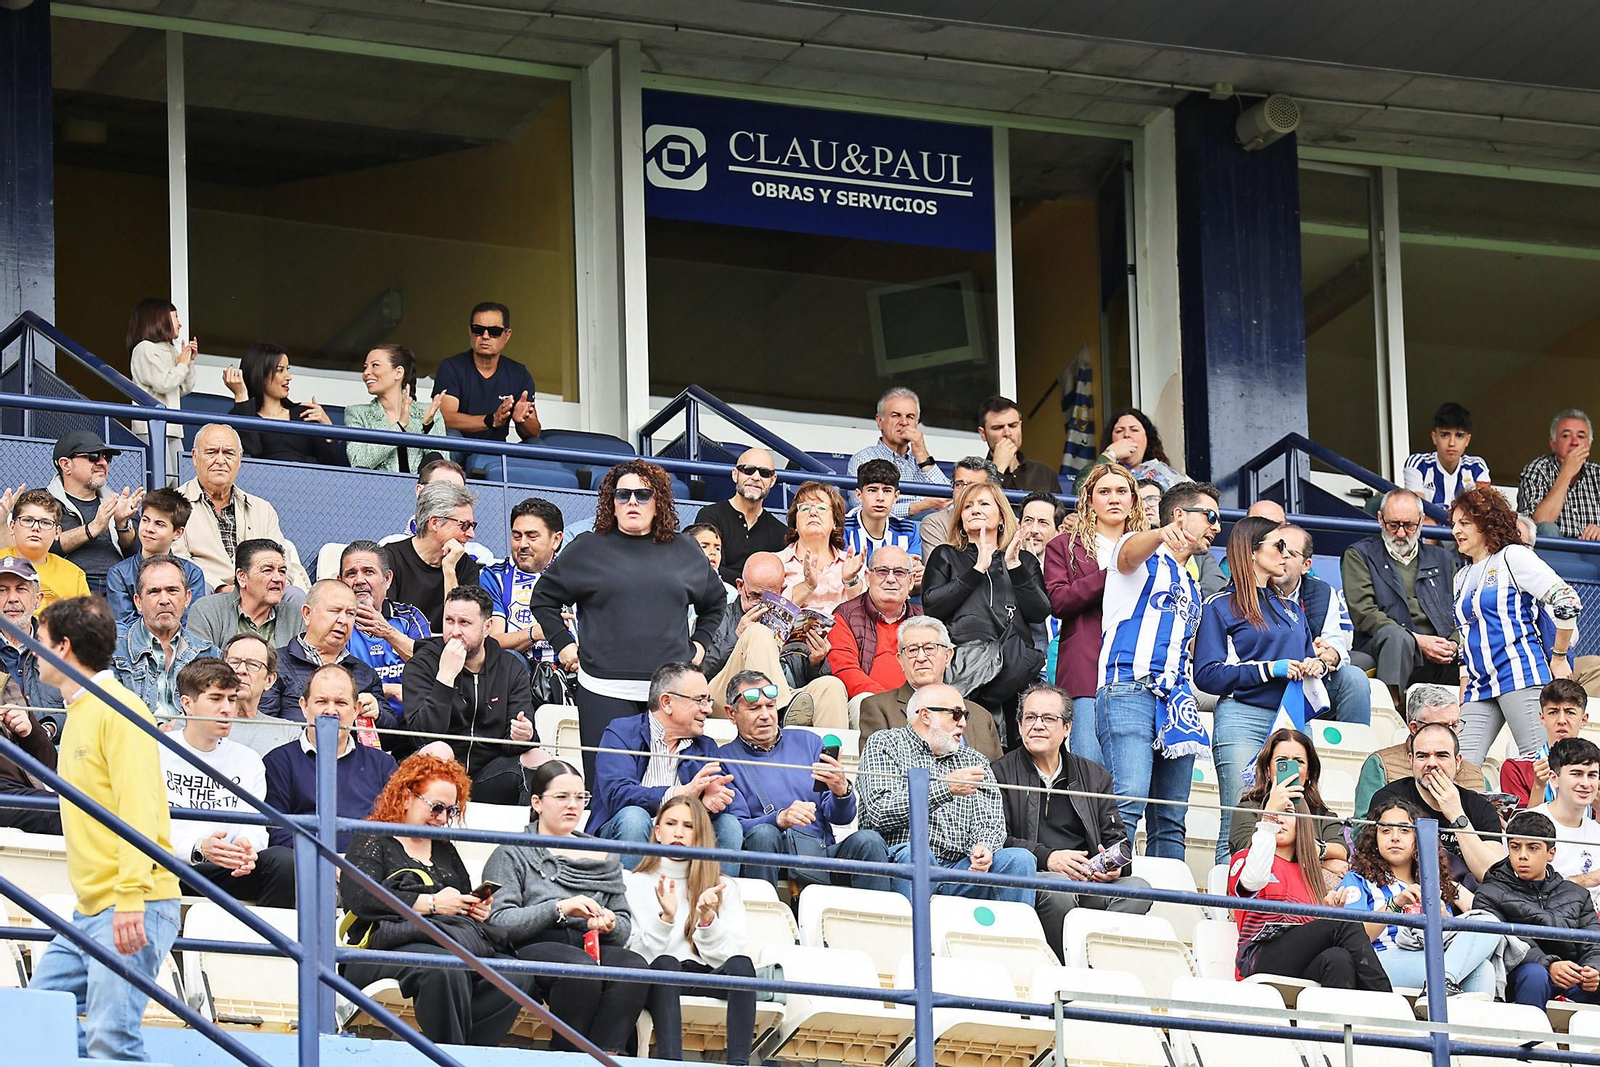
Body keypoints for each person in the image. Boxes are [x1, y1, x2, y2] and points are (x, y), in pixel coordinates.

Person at [26, 596, 182, 1063]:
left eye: (40, 643)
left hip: (131, 901)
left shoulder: (116, 709)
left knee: (112, 1040)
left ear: (65, 647)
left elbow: (140, 806)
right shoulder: (84, 711)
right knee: (41, 1015)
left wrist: (131, 895)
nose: (34, 653)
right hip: (95, 907)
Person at [529, 462, 727, 783]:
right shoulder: (587, 549)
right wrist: (564, 644)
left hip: (671, 693)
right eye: (623, 495)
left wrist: (701, 643)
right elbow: (543, 598)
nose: (632, 501)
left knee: (671, 793)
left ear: (658, 500)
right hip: (603, 689)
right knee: (608, 791)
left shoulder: (686, 550)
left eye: (642, 494)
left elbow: (716, 601)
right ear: (612, 503)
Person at [340, 752, 543, 1046]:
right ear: (406, 797)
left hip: (444, 941)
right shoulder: (373, 838)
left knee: (516, 976)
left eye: (450, 811)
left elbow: (459, 896)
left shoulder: (444, 849)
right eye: (436, 807)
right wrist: (432, 904)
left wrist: (474, 908)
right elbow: (360, 899)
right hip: (384, 946)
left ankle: (467, 1052)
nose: (442, 818)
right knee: (446, 969)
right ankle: (451, 1054)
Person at [482, 760, 652, 1054]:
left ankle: (605, 1055)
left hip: (591, 945)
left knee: (634, 966)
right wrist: (559, 908)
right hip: (535, 944)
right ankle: (569, 1057)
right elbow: (499, 921)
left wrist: (609, 923)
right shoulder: (511, 850)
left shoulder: (603, 854)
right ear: (537, 802)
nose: (572, 805)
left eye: (580, 797)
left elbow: (623, 926)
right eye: (561, 797)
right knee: (577, 968)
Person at [1097, 481, 1220, 857]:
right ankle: (1108, 890)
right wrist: (1158, 533)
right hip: (1129, 688)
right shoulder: (1138, 552)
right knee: (1129, 796)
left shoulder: (1191, 581)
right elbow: (1127, 554)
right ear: (1180, 516)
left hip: (1178, 701)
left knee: (1171, 817)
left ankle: (1166, 908)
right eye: (1210, 516)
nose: (1216, 527)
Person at [1196, 516, 1326, 861]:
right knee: (1239, 821)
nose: (1286, 553)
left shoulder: (1291, 607)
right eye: (1278, 545)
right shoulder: (1220, 605)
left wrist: (1316, 666)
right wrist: (1269, 670)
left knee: (1297, 819)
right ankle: (1231, 909)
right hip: (1243, 717)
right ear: (1251, 552)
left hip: (1292, 719)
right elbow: (1207, 674)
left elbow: (1307, 654)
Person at [992, 683, 1150, 962]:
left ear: (1067, 727)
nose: (1037, 726)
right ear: (1019, 726)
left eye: (1048, 719)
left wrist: (1113, 867)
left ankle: (1096, 961)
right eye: (1030, 718)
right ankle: (1063, 966)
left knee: (1138, 889)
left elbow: (1118, 839)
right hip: (1039, 878)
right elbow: (996, 838)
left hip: (1088, 878)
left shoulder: (1094, 776)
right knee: (1058, 890)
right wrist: (1048, 857)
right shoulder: (999, 772)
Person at [857, 683, 1035, 903]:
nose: (963, 723)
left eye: (965, 715)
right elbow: (879, 810)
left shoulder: (974, 759)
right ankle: (910, 936)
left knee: (1020, 860)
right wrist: (946, 788)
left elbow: (990, 821)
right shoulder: (885, 744)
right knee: (918, 855)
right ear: (925, 716)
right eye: (956, 714)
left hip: (960, 867)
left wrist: (984, 848)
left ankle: (1014, 939)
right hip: (901, 860)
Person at [716, 669, 890, 892]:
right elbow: (734, 828)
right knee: (763, 835)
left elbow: (841, 817)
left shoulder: (808, 741)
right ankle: (762, 921)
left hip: (818, 852)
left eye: (770, 706)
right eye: (754, 708)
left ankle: (875, 924)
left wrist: (841, 791)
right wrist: (779, 819)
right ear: (731, 714)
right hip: (769, 856)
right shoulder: (724, 758)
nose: (765, 715)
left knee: (869, 841)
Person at [1452, 484, 1582, 765]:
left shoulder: (1513, 556)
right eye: (1453, 524)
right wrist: (1464, 677)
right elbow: (1467, 634)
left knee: (1541, 766)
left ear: (1486, 523)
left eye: (1464, 523)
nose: (1455, 531)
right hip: (1479, 685)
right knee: (1459, 767)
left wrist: (1558, 656)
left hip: (1520, 676)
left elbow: (1567, 600)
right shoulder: (1460, 577)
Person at [625, 796, 758, 1066]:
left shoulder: (723, 886)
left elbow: (730, 955)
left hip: (705, 974)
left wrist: (707, 920)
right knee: (665, 964)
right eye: (671, 824)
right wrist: (666, 918)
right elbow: (633, 956)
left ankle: (739, 1063)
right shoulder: (634, 883)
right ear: (657, 831)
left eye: (688, 826)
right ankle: (671, 1062)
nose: (678, 833)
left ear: (700, 834)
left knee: (743, 966)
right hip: (659, 978)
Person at [1227, 786, 1390, 990]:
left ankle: (1337, 1022)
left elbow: (1310, 937)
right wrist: (1268, 820)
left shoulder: (1309, 874)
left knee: (1338, 959)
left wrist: (1328, 914)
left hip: (1295, 961)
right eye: (1274, 810)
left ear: (1302, 822)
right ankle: (1385, 998)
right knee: (1344, 923)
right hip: (1257, 959)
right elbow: (1253, 881)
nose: (1279, 818)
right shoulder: (1245, 859)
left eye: (1288, 812)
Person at [161, 658, 295, 907]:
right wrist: (198, 847)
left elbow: (255, 827)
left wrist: (247, 849)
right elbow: (142, 828)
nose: (227, 709)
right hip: (169, 866)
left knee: (287, 863)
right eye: (215, 698)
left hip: (227, 869)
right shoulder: (156, 751)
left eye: (232, 699)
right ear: (187, 704)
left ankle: (266, 944)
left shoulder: (249, 760)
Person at [922, 479, 1049, 736]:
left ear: (1001, 517)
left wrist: (1013, 566)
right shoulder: (946, 554)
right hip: (967, 668)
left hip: (1014, 671)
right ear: (960, 519)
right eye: (967, 506)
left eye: (983, 504)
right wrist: (977, 569)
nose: (974, 510)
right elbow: (932, 606)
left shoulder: (1023, 559)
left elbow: (1040, 611)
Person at [588, 662, 743, 869]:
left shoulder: (706, 746)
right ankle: (624, 900)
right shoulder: (621, 733)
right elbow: (617, 794)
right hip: (625, 832)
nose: (707, 709)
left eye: (708, 700)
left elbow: (720, 804)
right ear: (667, 702)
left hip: (683, 836)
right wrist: (681, 793)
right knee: (634, 818)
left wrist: (706, 805)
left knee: (729, 826)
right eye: (699, 700)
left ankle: (714, 899)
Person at [1338, 799, 1496, 995]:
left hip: (1430, 955)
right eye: (1386, 830)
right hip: (1379, 959)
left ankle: (1444, 986)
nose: (1395, 837)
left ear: (1418, 839)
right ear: (1374, 838)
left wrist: (1443, 920)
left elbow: (1448, 941)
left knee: (1486, 944)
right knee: (1472, 969)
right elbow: (1353, 938)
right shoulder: (1357, 880)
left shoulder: (1432, 885)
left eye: (1404, 830)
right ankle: (1441, 984)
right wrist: (1395, 905)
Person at [1044, 461, 1144, 765]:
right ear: (1089, 500)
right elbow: (1059, 601)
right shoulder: (1063, 545)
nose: (1113, 498)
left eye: (1121, 491)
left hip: (1136, 672)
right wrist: (1112, 572)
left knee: (1131, 775)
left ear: (1133, 500)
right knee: (1087, 771)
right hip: (1086, 672)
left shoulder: (1149, 548)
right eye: (1104, 491)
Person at [402, 586, 538, 804]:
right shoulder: (423, 664)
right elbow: (421, 736)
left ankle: (529, 837)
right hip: (435, 772)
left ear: (487, 627)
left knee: (537, 758)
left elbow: (513, 743)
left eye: (464, 623)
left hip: (487, 775)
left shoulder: (510, 667)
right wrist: (445, 678)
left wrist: (523, 736)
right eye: (449, 621)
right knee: (439, 750)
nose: (455, 631)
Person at [701, 552, 848, 729]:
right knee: (758, 632)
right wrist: (737, 635)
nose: (761, 605)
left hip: (787, 695)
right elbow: (700, 671)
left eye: (769, 598)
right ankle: (778, 710)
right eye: (754, 596)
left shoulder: (790, 619)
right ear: (740, 587)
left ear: (782, 590)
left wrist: (815, 664)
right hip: (725, 697)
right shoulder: (719, 615)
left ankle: (832, 756)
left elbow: (805, 683)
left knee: (831, 686)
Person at [263, 663, 398, 850]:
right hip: (304, 870)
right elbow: (275, 831)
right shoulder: (278, 762)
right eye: (321, 702)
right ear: (304, 706)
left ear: (356, 709)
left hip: (370, 869)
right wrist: (327, 861)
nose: (331, 711)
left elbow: (398, 826)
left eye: (341, 703)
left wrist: (360, 861)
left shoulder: (383, 765)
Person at [1475, 810, 1600, 1006]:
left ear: (1551, 853)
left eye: (1532, 848)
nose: (1522, 856)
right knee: (1534, 975)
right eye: (1515, 847)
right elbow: (1505, 944)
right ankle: (1530, 1038)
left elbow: (1593, 941)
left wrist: (1593, 969)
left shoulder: (1577, 894)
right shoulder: (1489, 893)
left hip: (1571, 976)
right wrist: (1549, 964)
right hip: (1517, 975)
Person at [1341, 488, 1457, 694]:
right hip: (1384, 645)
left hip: (1440, 650)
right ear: (1380, 519)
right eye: (1393, 525)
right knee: (1397, 638)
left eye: (1409, 525)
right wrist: (1417, 641)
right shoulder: (1360, 554)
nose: (1401, 533)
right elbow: (1364, 613)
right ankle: (1392, 712)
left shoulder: (1443, 559)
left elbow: (1461, 610)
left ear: (1421, 522)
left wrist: (1453, 644)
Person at [174, 424, 311, 592]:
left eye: (228, 453)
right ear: (195, 457)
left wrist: (259, 588)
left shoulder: (262, 509)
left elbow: (282, 560)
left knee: (294, 594)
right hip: (209, 594)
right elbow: (177, 561)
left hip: (259, 594)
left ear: (239, 460)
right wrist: (221, 588)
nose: (220, 460)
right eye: (211, 452)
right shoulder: (174, 504)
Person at [1368, 722, 1505, 886]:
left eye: (1442, 755)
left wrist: (1457, 815)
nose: (1431, 763)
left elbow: (1492, 874)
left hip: (1471, 898)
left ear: (1458, 761)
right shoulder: (1389, 799)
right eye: (1422, 756)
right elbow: (1376, 861)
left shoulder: (1480, 807)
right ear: (1411, 760)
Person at [857, 616, 1004, 760]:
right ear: (900, 660)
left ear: (947, 657)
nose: (921, 658)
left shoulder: (981, 716)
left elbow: (998, 779)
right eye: (912, 650)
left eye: (929, 648)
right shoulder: (878, 708)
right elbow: (880, 775)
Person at [1272, 523, 1371, 725]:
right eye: (1277, 548)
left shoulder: (1323, 592)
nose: (1281, 557)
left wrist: (1329, 656)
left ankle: (1354, 751)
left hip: (1309, 682)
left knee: (1354, 678)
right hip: (1266, 680)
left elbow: (1336, 648)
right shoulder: (1252, 587)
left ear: (1306, 565)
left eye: (1289, 553)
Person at [1355, 684, 1487, 827]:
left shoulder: (1476, 774)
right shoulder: (1382, 764)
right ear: (1414, 728)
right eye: (1441, 726)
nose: (1451, 733)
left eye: (1455, 725)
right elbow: (1363, 830)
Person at [259, 580, 387, 729]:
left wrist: (378, 714)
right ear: (307, 614)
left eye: (350, 613)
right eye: (334, 611)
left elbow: (391, 736)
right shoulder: (276, 664)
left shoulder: (364, 672)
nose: (343, 620)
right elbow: (263, 726)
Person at [1227, 729, 1350, 880]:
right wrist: (1318, 861)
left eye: (1299, 761)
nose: (1292, 768)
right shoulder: (1247, 809)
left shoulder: (1322, 814)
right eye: (1282, 761)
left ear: (1309, 772)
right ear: (1267, 769)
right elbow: (1247, 851)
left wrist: (1316, 851)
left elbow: (1342, 851)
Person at [112, 556, 220, 720]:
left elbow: (215, 716)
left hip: (188, 743)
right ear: (138, 602)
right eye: (154, 592)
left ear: (187, 598)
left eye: (172, 591)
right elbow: (106, 713)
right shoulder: (112, 648)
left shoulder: (208, 654)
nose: (164, 600)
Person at [432, 302, 542, 450]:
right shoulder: (452, 367)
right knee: (450, 437)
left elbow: (534, 432)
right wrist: (490, 420)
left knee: (537, 445)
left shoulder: (519, 374)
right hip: (460, 448)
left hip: (496, 452)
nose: (485, 336)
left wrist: (522, 420)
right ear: (470, 331)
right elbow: (444, 418)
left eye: (494, 332)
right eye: (478, 330)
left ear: (507, 335)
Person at [338, 540, 429, 721]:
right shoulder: (335, 622)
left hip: (411, 723)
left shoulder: (409, 617)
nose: (359, 580)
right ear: (340, 582)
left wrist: (387, 631)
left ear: (387, 579)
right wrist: (387, 690)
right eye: (351, 574)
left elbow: (429, 669)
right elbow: (329, 683)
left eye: (368, 572)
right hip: (356, 723)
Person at [40, 431, 140, 594]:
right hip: (66, 587)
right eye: (93, 456)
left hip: (118, 588)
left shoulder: (119, 502)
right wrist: (92, 529)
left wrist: (122, 525)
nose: (102, 463)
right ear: (66, 464)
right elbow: (38, 546)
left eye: (106, 457)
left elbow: (138, 554)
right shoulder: (41, 502)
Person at [225, 342, 346, 465]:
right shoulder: (242, 414)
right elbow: (250, 454)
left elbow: (333, 465)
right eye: (280, 370)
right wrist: (241, 395)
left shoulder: (304, 413)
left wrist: (328, 429)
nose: (289, 377)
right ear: (260, 374)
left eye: (287, 369)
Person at [103, 488, 208, 630]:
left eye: (159, 524)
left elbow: (191, 623)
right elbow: (124, 624)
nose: (149, 528)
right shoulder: (119, 574)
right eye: (145, 520)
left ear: (177, 533)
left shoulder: (192, 573)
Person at [385, 479, 482, 631]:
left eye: (472, 526)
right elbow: (387, 623)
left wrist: (449, 569)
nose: (471, 534)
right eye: (464, 525)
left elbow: (462, 627)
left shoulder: (466, 566)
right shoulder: (390, 558)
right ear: (435, 522)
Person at [827, 545, 920, 702]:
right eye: (882, 571)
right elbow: (846, 672)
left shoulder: (924, 620)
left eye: (899, 572)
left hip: (918, 705)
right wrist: (889, 703)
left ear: (910, 581)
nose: (890, 579)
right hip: (869, 704)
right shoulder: (845, 616)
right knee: (862, 701)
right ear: (868, 577)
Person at [479, 497, 563, 662]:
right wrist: (535, 633)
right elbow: (492, 641)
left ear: (556, 540)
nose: (522, 544)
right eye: (517, 536)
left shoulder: (577, 576)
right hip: (516, 673)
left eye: (532, 536)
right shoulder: (495, 577)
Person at [846, 387, 950, 519]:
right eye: (896, 415)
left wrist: (924, 457)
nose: (904, 422)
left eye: (910, 417)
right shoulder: (864, 458)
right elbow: (860, 508)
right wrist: (919, 507)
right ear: (879, 422)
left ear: (916, 423)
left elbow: (952, 501)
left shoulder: (921, 460)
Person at [186, 538, 308, 649]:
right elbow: (200, 668)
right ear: (242, 577)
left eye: (282, 571)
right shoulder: (207, 611)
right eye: (267, 570)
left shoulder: (296, 617)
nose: (278, 578)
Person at [344, 344, 447, 472]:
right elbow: (358, 461)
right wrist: (399, 427)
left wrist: (426, 427)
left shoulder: (428, 412)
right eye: (365, 367)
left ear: (398, 372)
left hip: (421, 490)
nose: (366, 373)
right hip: (377, 488)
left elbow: (440, 467)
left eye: (375, 365)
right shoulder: (357, 413)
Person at [126, 297, 197, 478]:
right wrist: (182, 365)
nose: (180, 324)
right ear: (159, 319)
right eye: (175, 317)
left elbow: (182, 388)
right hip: (150, 427)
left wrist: (189, 362)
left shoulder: (171, 350)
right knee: (162, 479)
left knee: (179, 481)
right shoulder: (144, 349)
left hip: (173, 426)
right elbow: (163, 383)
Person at [694, 449, 789, 584]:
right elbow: (707, 567)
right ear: (735, 474)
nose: (756, 477)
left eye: (765, 473)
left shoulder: (780, 532)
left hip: (758, 602)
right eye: (748, 470)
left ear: (772, 481)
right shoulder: (710, 515)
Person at [381, 459, 497, 567]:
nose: (453, 497)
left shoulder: (479, 555)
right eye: (443, 488)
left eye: (459, 491)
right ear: (420, 491)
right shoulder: (390, 548)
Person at [1530, 736, 1600, 909]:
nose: (1585, 783)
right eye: (1576, 774)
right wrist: (1588, 879)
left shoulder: (1596, 830)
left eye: (1592, 775)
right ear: (1554, 778)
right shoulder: (1529, 823)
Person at [777, 481, 866, 615]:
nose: (813, 512)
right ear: (795, 522)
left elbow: (867, 616)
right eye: (805, 508)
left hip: (844, 634)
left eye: (822, 508)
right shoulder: (776, 563)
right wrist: (807, 586)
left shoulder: (853, 564)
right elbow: (772, 617)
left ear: (835, 522)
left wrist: (850, 580)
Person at [1501, 679, 1591, 808]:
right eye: (1553, 712)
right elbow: (1519, 826)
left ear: (1584, 719)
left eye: (1570, 712)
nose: (1561, 720)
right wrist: (1539, 786)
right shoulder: (1516, 768)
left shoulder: (1595, 769)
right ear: (1542, 718)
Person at [0, 556, 64, 733]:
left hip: (52, 751)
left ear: (38, 600)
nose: (12, 598)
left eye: (21, 589)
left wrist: (49, 728)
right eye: (2, 590)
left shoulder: (61, 646)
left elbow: (81, 705)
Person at [1519, 409, 1600, 541]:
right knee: (1546, 528)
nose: (1574, 442)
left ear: (1589, 445)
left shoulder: (1597, 474)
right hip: (1554, 555)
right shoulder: (1537, 470)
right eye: (1566, 436)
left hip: (1592, 553)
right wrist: (1566, 473)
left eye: (1581, 436)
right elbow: (1538, 524)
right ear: (1553, 443)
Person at [0, 489, 89, 608]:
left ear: (57, 532)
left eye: (45, 523)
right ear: (12, 526)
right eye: (27, 520)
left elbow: (86, 621)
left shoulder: (73, 574)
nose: (36, 527)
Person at [221, 633, 301, 758]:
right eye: (234, 662)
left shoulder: (288, 732)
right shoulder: (195, 723)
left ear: (269, 680)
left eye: (253, 664)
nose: (241, 670)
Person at [841, 460, 924, 579]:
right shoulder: (842, 527)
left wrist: (920, 577)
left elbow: (913, 579)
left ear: (896, 496)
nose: (880, 498)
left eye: (887, 491)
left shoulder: (909, 530)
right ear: (859, 495)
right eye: (872, 490)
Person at [0, 672, 60, 834]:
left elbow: (48, 763)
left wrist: (29, 731)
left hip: (20, 789)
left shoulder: (5, 683)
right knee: (63, 813)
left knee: (76, 808)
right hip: (7, 793)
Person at [1403, 402, 1491, 510]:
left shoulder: (1477, 467)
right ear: (1434, 437)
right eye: (1445, 435)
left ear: (1467, 440)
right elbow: (1417, 513)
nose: (1451, 443)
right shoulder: (1417, 464)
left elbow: (1483, 512)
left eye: (1459, 436)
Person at [1074, 408, 1184, 493]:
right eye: (1119, 431)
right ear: (1111, 440)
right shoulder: (1092, 469)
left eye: (1134, 430)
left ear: (1147, 440)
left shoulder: (1162, 472)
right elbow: (1080, 494)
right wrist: (1110, 454)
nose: (1126, 435)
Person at [976, 395, 1059, 494]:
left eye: (1013, 426)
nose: (1007, 433)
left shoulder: (1045, 473)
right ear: (983, 434)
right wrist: (997, 469)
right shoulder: (974, 474)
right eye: (998, 427)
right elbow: (980, 504)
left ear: (1020, 426)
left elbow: (1062, 509)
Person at [919, 457, 998, 554]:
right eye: (959, 484)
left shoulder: (1011, 524)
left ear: (991, 491)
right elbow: (937, 567)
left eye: (972, 486)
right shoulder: (935, 523)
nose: (964, 491)